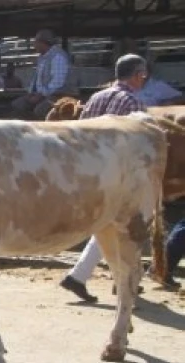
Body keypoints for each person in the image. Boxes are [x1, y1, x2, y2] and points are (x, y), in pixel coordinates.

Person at [59, 54, 149, 303]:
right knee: (120, 224)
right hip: (115, 174)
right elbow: (136, 146)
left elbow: (77, 133)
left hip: (86, 170)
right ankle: (119, 279)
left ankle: (81, 276)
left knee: (105, 226)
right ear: (137, 74)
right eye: (143, 74)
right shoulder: (133, 102)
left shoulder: (96, 98)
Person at [11, 29, 75, 120]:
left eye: (35, 42)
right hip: (44, 94)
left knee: (40, 110)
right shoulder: (42, 58)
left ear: (42, 42)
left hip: (60, 95)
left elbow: (57, 83)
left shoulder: (58, 56)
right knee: (18, 104)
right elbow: (37, 79)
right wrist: (31, 93)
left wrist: (41, 95)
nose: (34, 45)